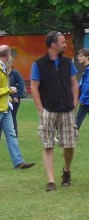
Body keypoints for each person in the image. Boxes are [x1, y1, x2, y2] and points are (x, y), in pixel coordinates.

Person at [30, 31, 78, 192]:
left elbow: (74, 84)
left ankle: (66, 170)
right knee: (48, 145)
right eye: (62, 42)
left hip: (67, 110)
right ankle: (51, 181)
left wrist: (74, 102)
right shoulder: (38, 64)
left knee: (69, 145)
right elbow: (34, 88)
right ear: (53, 44)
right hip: (48, 111)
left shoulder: (68, 63)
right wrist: (40, 109)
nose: (65, 45)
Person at [0, 44, 34, 170]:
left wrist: (8, 97)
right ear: (8, 55)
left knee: (11, 135)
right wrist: (8, 90)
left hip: (5, 107)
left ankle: (18, 162)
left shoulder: (1, 68)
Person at [75, 47, 89, 129]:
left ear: (87, 57)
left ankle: (67, 137)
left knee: (78, 120)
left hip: (86, 100)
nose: (78, 57)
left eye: (81, 56)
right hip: (86, 100)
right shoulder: (86, 69)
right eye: (78, 56)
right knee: (78, 119)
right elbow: (81, 85)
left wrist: (82, 99)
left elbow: (88, 86)